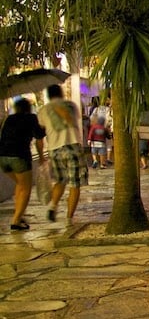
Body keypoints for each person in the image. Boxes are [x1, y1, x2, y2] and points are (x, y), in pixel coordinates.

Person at [37, 84, 87, 223]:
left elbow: (41, 131)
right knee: (75, 183)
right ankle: (69, 218)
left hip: (54, 149)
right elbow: (74, 120)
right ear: (61, 93)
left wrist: (41, 156)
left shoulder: (43, 110)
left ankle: (52, 206)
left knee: (60, 180)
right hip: (72, 146)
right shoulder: (71, 105)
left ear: (48, 95)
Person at [0, 98, 46, 231]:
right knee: (25, 188)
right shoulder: (31, 118)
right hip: (19, 156)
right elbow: (39, 136)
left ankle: (18, 214)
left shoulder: (9, 119)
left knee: (20, 185)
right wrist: (42, 157)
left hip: (3, 157)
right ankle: (16, 220)